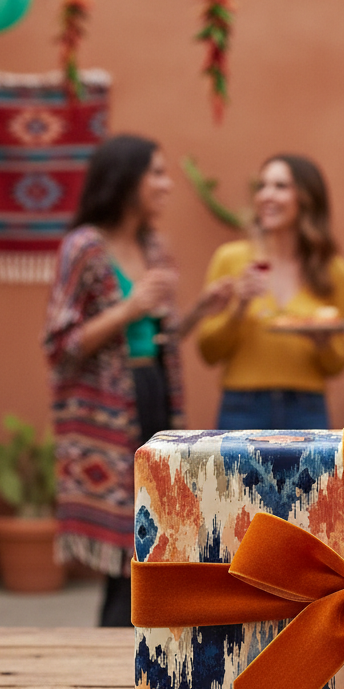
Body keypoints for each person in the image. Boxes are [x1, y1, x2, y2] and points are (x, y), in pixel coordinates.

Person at [43, 134, 233, 626]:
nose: (167, 185)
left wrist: (202, 309)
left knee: (153, 532)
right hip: (107, 408)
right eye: (157, 173)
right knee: (125, 547)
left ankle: (141, 641)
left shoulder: (154, 249)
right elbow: (59, 346)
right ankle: (115, 643)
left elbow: (162, 337)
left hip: (155, 396)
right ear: (126, 180)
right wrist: (129, 308)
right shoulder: (83, 248)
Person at [197, 154, 344, 429]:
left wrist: (324, 343)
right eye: (262, 186)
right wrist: (239, 308)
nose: (266, 195)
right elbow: (208, 352)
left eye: (280, 187)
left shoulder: (333, 269)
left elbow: (337, 365)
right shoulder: (230, 259)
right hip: (241, 408)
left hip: (307, 409)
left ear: (307, 197)